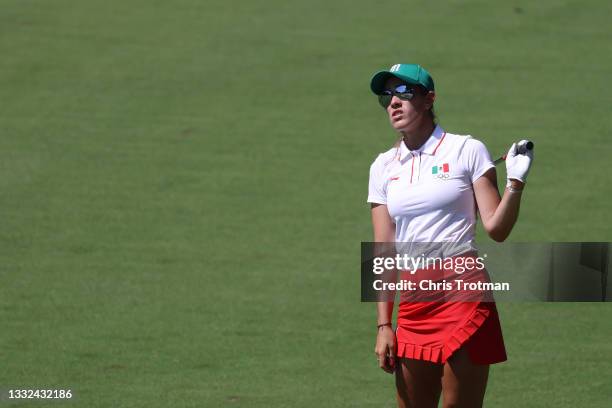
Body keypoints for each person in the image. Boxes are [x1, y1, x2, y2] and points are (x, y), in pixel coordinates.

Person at [367, 64, 533, 408]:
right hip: (415, 298)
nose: (393, 103)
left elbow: (496, 229)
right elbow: (384, 250)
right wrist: (384, 324)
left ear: (429, 100)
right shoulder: (382, 166)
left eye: (404, 93)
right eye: (387, 96)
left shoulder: (466, 150)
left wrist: (514, 184)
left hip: (463, 289)